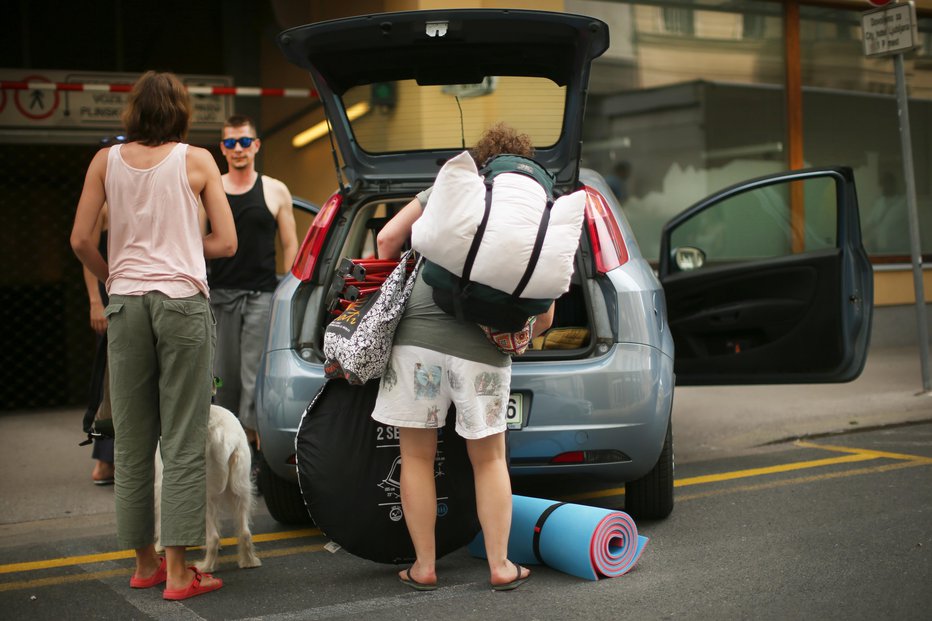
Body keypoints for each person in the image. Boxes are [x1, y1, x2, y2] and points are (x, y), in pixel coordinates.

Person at [70, 70, 237, 600]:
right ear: (182, 112)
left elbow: (79, 240)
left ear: (133, 112)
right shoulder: (197, 160)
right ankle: (182, 572)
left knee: (133, 439)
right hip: (181, 305)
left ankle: (145, 566)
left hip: (126, 304)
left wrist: (115, 272)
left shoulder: (105, 161)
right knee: (183, 438)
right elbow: (227, 242)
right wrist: (183, 244)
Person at [372, 123, 554, 591]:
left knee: (415, 455)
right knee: (490, 459)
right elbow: (547, 309)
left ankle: (425, 566)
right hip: (483, 348)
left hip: (417, 340)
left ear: (483, 159)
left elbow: (388, 241)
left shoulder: (449, 188)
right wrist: (517, 330)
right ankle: (500, 566)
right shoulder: (535, 213)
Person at [207, 114, 297, 452]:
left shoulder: (274, 189)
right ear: (222, 148)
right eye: (231, 143)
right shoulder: (210, 188)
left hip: (262, 296)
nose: (238, 149)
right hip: (220, 297)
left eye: (244, 141)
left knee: (254, 377)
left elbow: (291, 245)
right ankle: (225, 448)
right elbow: (196, 240)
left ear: (256, 145)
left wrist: (288, 293)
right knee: (223, 377)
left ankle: (255, 452)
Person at [81, 201, 114, 485]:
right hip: (110, 299)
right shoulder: (103, 205)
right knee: (110, 382)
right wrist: (95, 301)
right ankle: (104, 461)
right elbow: (85, 250)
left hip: (137, 295)